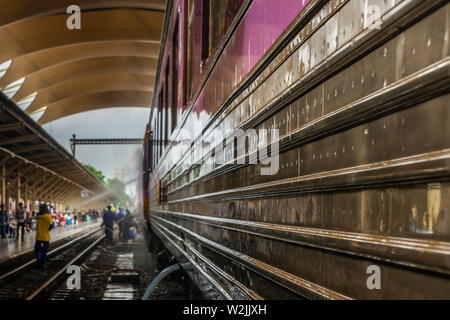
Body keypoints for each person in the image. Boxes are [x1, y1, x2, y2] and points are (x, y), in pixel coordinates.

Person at [35, 204, 54, 269]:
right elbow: (51, 225)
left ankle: (38, 261)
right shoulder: (48, 216)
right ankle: (43, 264)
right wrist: (48, 229)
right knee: (44, 252)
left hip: (38, 237)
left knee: (38, 250)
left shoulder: (38, 216)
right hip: (46, 237)